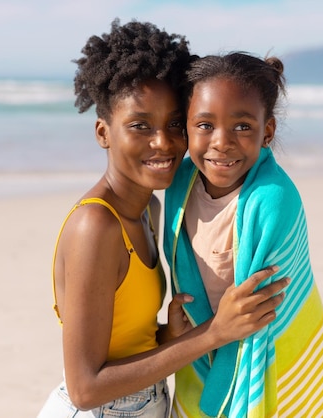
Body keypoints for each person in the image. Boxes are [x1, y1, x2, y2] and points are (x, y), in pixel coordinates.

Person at [37, 21, 290, 418]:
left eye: (175, 124)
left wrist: (165, 336)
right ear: (103, 132)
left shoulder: (152, 210)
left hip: (148, 402)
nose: (163, 141)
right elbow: (85, 388)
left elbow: (122, 343)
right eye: (140, 126)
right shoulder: (96, 227)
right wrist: (215, 333)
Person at [163, 52, 323, 417]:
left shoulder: (273, 201)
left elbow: (258, 314)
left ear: (268, 131)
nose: (221, 142)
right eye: (204, 125)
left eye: (243, 126)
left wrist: (218, 392)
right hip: (203, 357)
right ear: (185, 126)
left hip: (262, 362)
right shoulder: (179, 184)